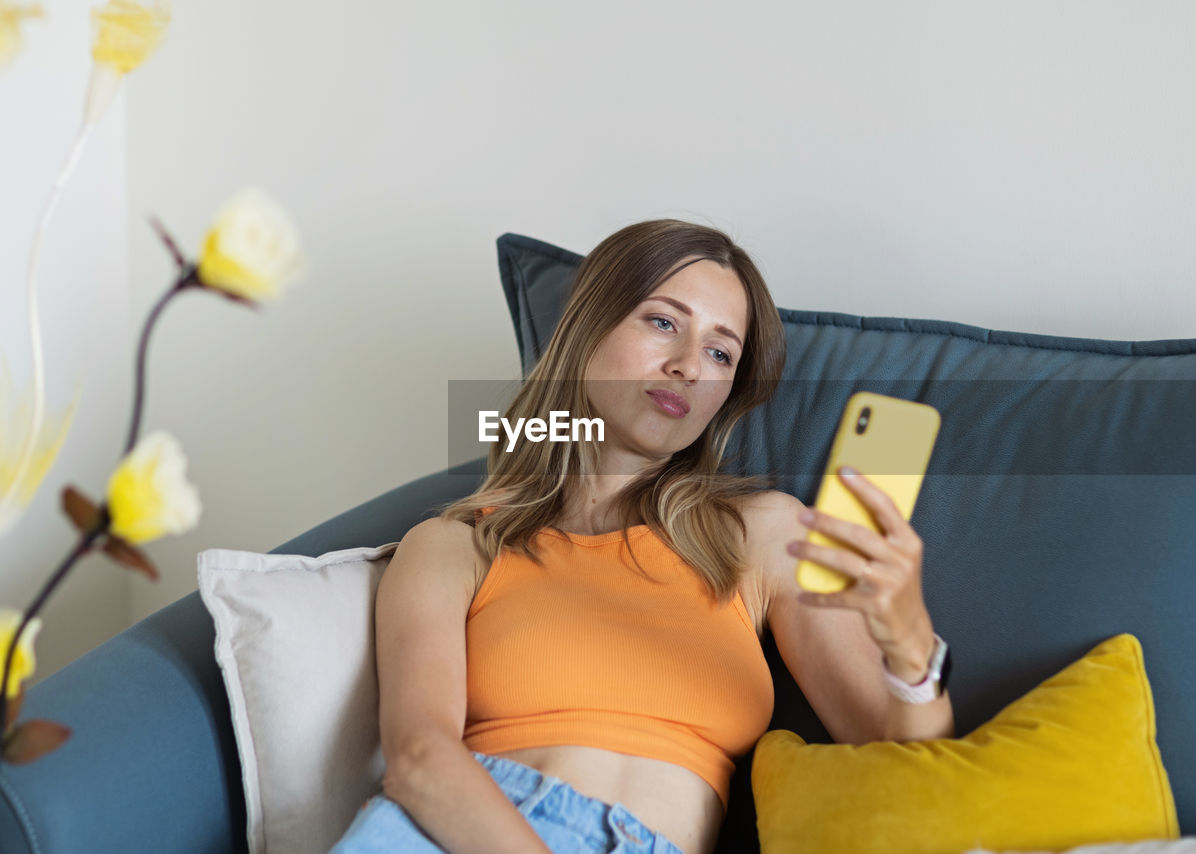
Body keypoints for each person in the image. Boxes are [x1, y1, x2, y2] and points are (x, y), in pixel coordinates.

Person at [329, 219, 954, 854]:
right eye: (663, 322)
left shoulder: (761, 534)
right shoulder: (454, 545)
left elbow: (914, 780)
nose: (687, 366)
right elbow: (418, 758)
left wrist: (909, 648)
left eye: (720, 353)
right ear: (587, 328)